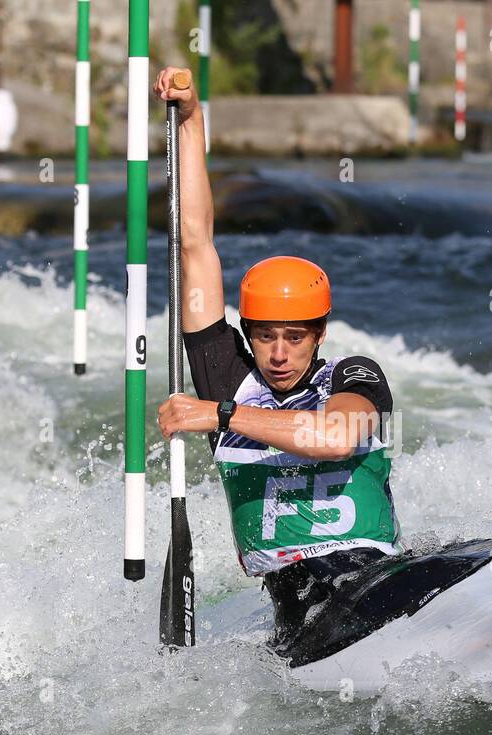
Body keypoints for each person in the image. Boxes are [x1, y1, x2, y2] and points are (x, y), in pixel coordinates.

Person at [152, 67, 402, 653]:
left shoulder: (354, 375)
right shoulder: (227, 379)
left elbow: (337, 436)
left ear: (319, 333)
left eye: (295, 336)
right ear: (247, 332)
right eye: (264, 337)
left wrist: (217, 416)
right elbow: (194, 244)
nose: (280, 353)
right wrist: (190, 121)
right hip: (299, 618)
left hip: (376, 584)